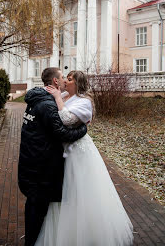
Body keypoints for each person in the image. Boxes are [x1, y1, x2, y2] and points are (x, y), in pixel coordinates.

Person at [35, 70, 134, 246]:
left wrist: (58, 98)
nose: (66, 80)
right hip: (62, 151)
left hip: (78, 153)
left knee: (79, 191)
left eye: (70, 79)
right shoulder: (64, 95)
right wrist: (58, 97)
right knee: (63, 192)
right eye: (65, 77)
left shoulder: (84, 102)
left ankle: (86, 234)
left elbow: (66, 119)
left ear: (78, 83)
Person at [18, 67, 88, 246]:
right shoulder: (48, 104)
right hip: (39, 170)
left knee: (34, 208)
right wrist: (83, 129)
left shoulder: (35, 99)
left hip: (30, 164)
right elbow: (62, 133)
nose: (65, 80)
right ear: (56, 82)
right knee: (36, 213)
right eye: (63, 77)